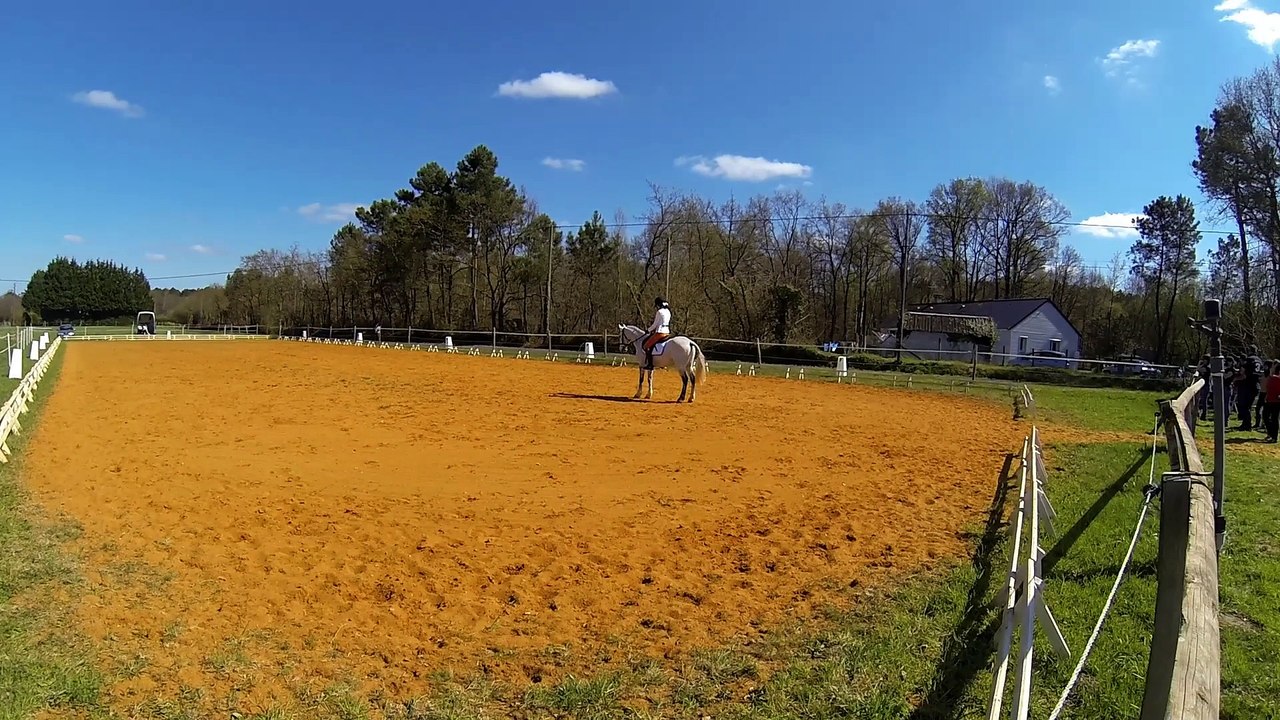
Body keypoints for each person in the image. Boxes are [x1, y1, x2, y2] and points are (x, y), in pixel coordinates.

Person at [642, 296, 673, 370]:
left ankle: (650, 365)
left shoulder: (659, 312)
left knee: (646, 346)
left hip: (660, 332)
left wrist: (648, 330)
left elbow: (655, 324)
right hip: (667, 332)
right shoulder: (668, 311)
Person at [1264, 361, 1280, 444]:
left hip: (1276, 401)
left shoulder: (1276, 378)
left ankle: (1274, 437)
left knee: (1274, 418)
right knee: (1266, 416)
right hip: (1269, 399)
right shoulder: (1272, 377)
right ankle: (1271, 434)